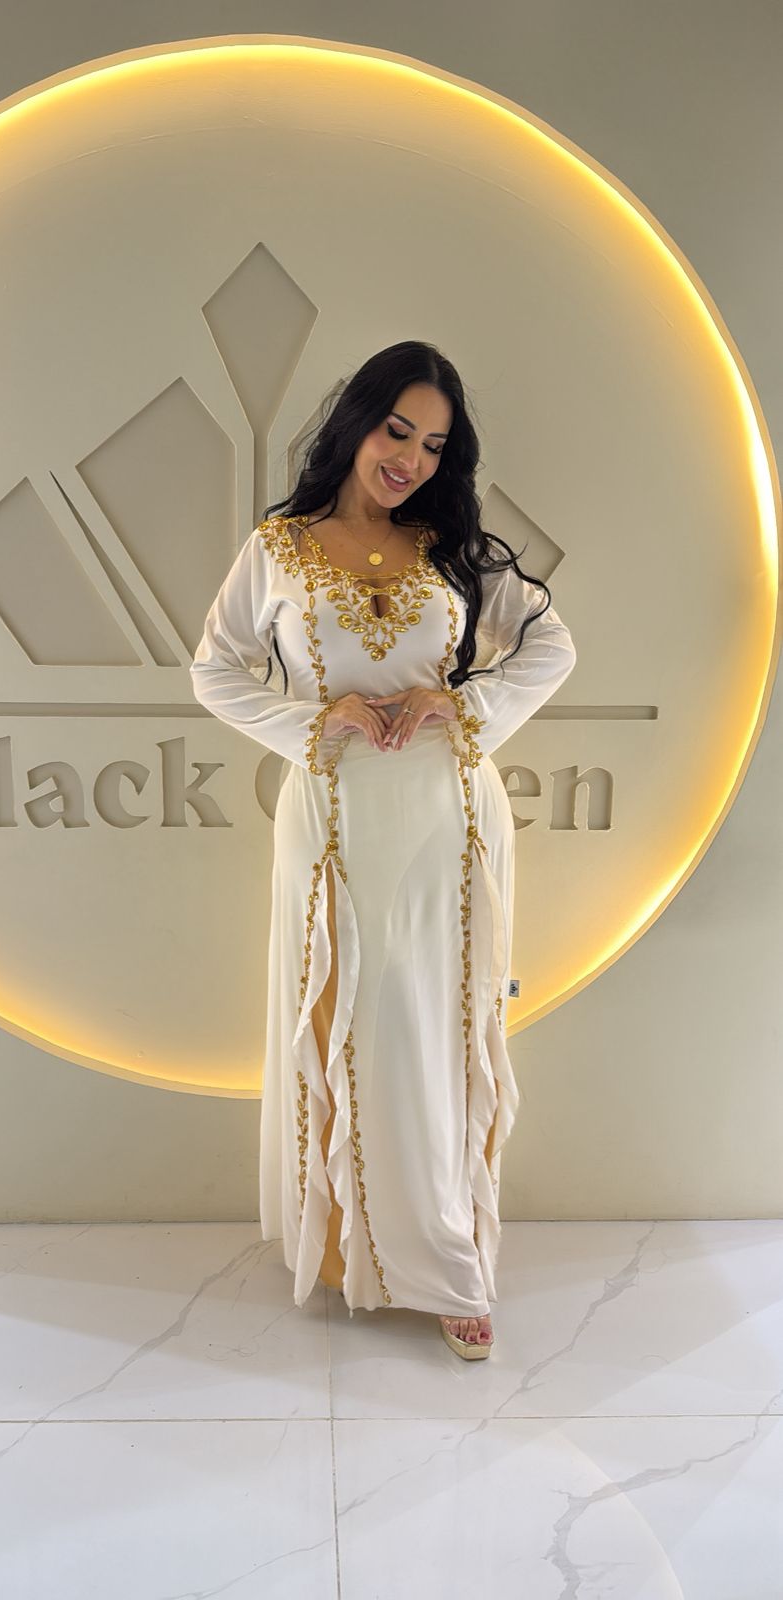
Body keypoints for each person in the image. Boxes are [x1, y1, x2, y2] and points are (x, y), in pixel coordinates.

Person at [190, 340, 577, 1360]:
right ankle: (350, 1249)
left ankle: (448, 1259)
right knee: (352, 1023)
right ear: (358, 421)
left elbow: (553, 643)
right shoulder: (279, 548)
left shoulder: (452, 548)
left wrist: (461, 704)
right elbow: (215, 670)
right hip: (334, 819)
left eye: (433, 445)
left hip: (449, 817)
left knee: (435, 1029)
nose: (409, 459)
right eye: (397, 431)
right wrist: (316, 721)